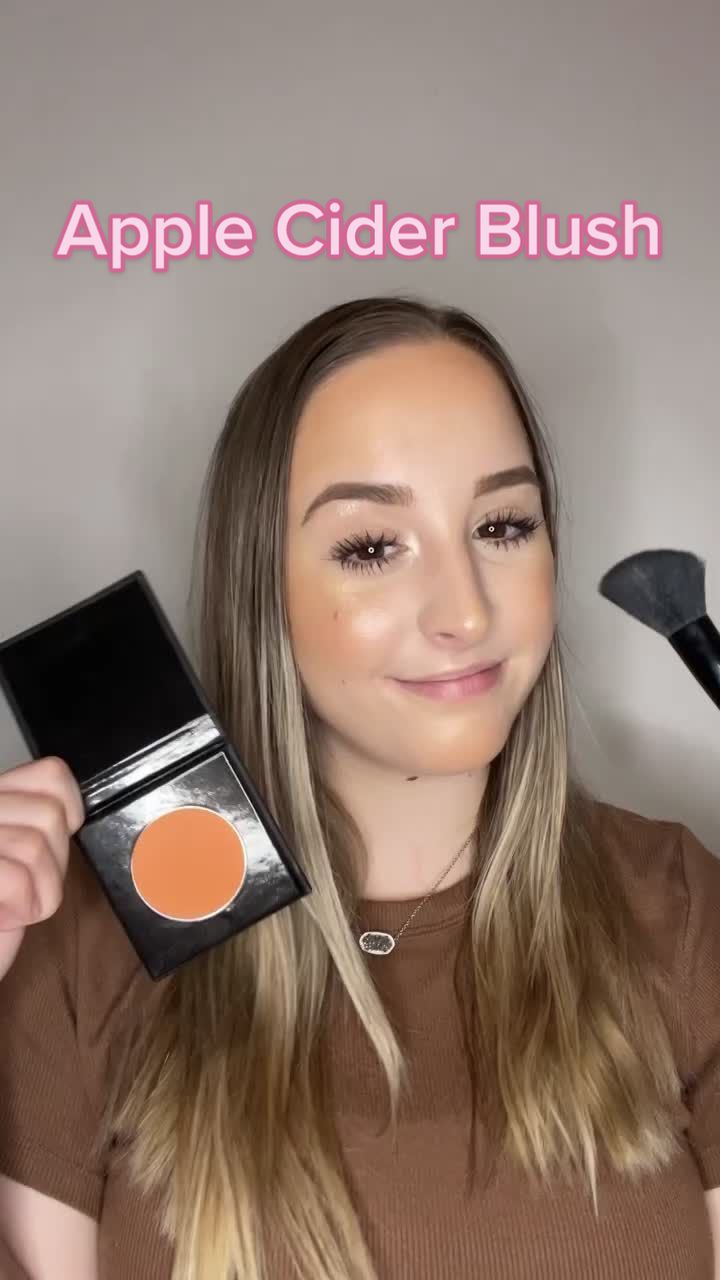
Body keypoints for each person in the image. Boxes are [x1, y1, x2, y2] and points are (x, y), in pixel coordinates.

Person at [0, 294, 719, 1280]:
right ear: (263, 589)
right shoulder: (75, 946)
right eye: (374, 547)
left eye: (503, 524)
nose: (467, 612)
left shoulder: (679, 907)